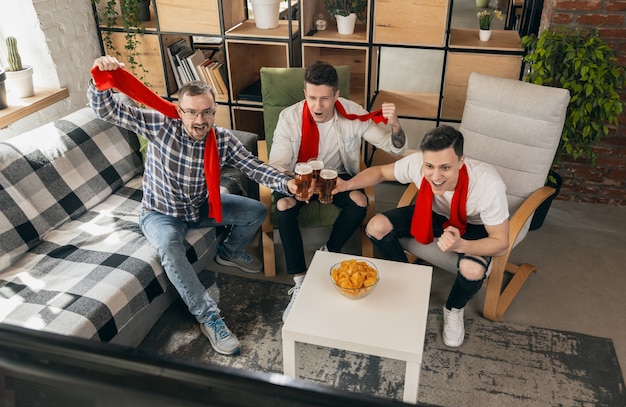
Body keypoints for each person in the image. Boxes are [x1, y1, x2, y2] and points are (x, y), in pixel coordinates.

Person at [88, 55, 298, 355]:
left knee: (256, 211)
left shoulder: (222, 139)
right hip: (160, 214)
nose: (200, 121)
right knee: (171, 250)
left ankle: (229, 252)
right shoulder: (159, 125)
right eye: (192, 113)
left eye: (207, 112)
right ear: (180, 110)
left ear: (214, 111)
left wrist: (286, 183)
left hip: (200, 207)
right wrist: (100, 77)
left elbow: (253, 167)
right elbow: (107, 110)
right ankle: (209, 317)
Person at [332, 125, 509, 347]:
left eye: (445, 167)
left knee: (472, 270)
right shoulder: (417, 163)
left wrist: (461, 244)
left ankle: (453, 308)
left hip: (474, 225)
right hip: (432, 213)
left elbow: (501, 243)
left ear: (461, 161)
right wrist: (347, 185)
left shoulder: (488, 185)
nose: (435, 176)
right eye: (430, 166)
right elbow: (379, 172)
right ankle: (408, 280)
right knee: (376, 226)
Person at [269, 61, 408, 322]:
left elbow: (395, 147)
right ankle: (299, 280)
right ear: (305, 93)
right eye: (311, 98)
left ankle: (329, 251)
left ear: (336, 95)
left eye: (324, 98)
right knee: (283, 207)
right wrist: (295, 180)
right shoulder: (289, 117)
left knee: (359, 200)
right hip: (297, 175)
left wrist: (396, 126)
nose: (317, 106)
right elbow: (277, 164)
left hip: (336, 176)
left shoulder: (353, 114)